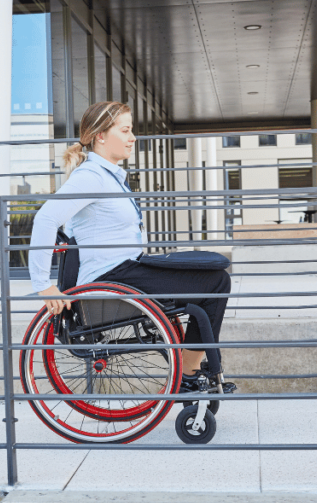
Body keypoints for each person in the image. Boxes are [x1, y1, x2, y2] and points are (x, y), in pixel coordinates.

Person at [28, 100, 232, 392]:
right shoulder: (91, 177)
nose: (132, 137)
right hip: (113, 275)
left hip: (126, 268)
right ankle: (187, 373)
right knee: (214, 282)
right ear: (101, 135)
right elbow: (46, 218)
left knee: (212, 276)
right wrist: (44, 286)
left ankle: (190, 368)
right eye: (125, 130)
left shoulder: (108, 176)